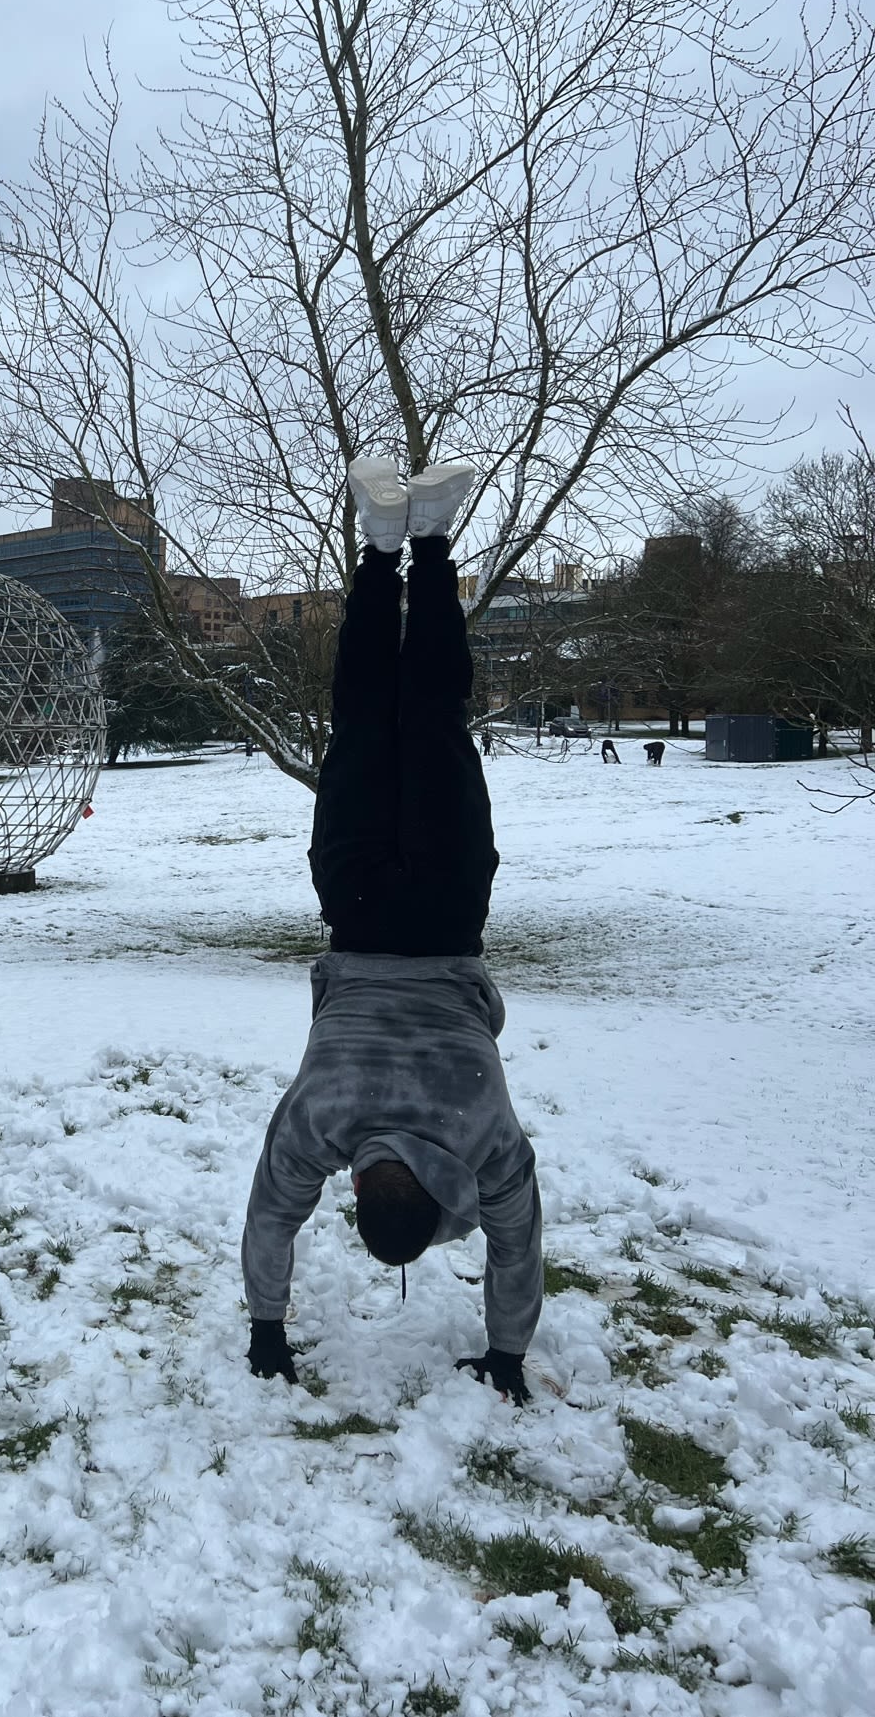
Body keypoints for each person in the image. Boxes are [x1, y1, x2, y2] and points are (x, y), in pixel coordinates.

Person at [241, 457, 541, 1406]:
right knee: (366, 718)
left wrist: (507, 1353)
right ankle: (381, 548)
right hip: (360, 908)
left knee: (432, 712)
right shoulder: (322, 1116)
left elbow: (517, 1236)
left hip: (450, 909)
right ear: (365, 1185)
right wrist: (265, 1328)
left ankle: (433, 536)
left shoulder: (483, 1132)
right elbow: (271, 1214)